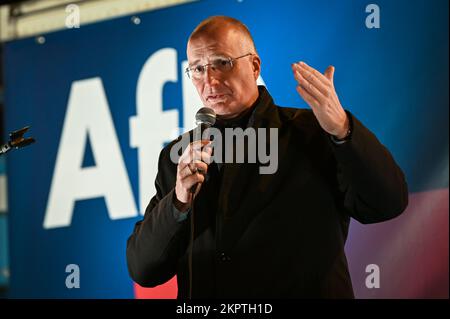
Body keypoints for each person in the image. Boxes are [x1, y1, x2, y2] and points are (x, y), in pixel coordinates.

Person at [126, 16, 408, 298]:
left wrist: (343, 130)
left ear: (254, 66)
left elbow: (387, 203)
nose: (209, 80)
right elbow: (143, 269)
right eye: (197, 69)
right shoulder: (179, 158)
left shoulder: (311, 133)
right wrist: (178, 202)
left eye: (222, 62)